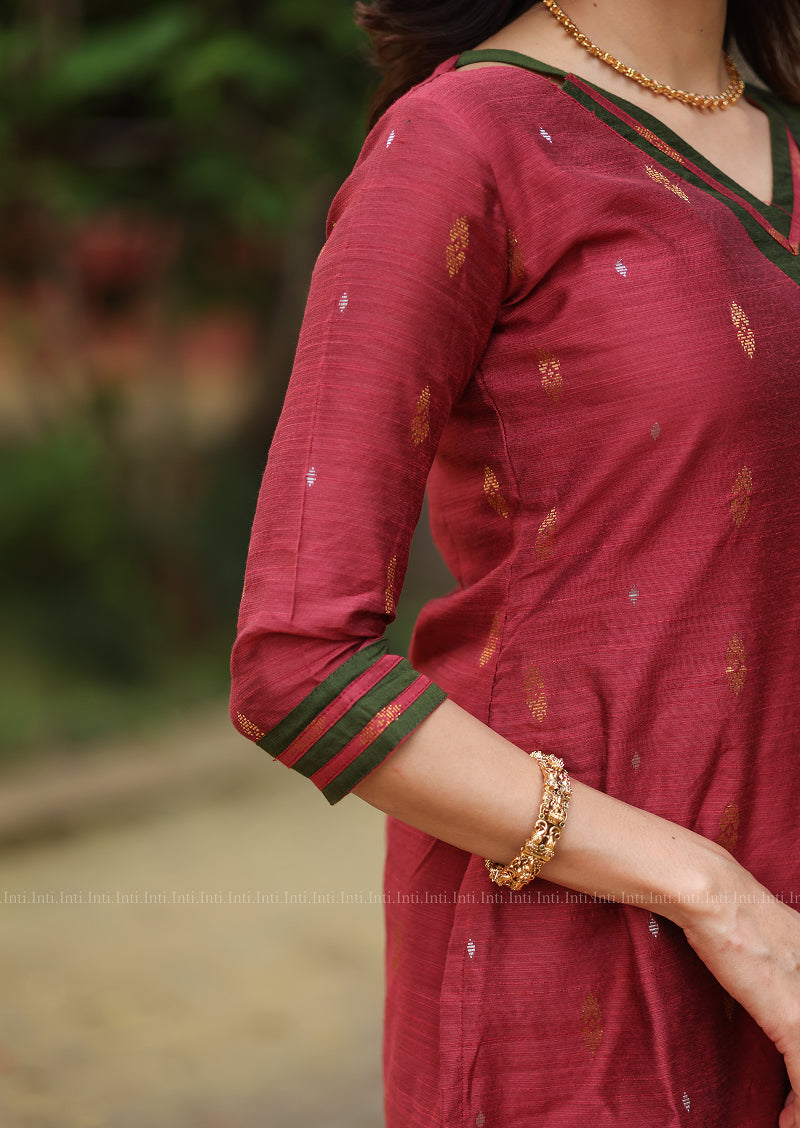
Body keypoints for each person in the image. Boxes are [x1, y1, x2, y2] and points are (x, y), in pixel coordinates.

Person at [230, 1, 800, 1124]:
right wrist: (717, 899)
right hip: (590, 984)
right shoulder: (463, 144)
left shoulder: (785, 134)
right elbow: (295, 664)